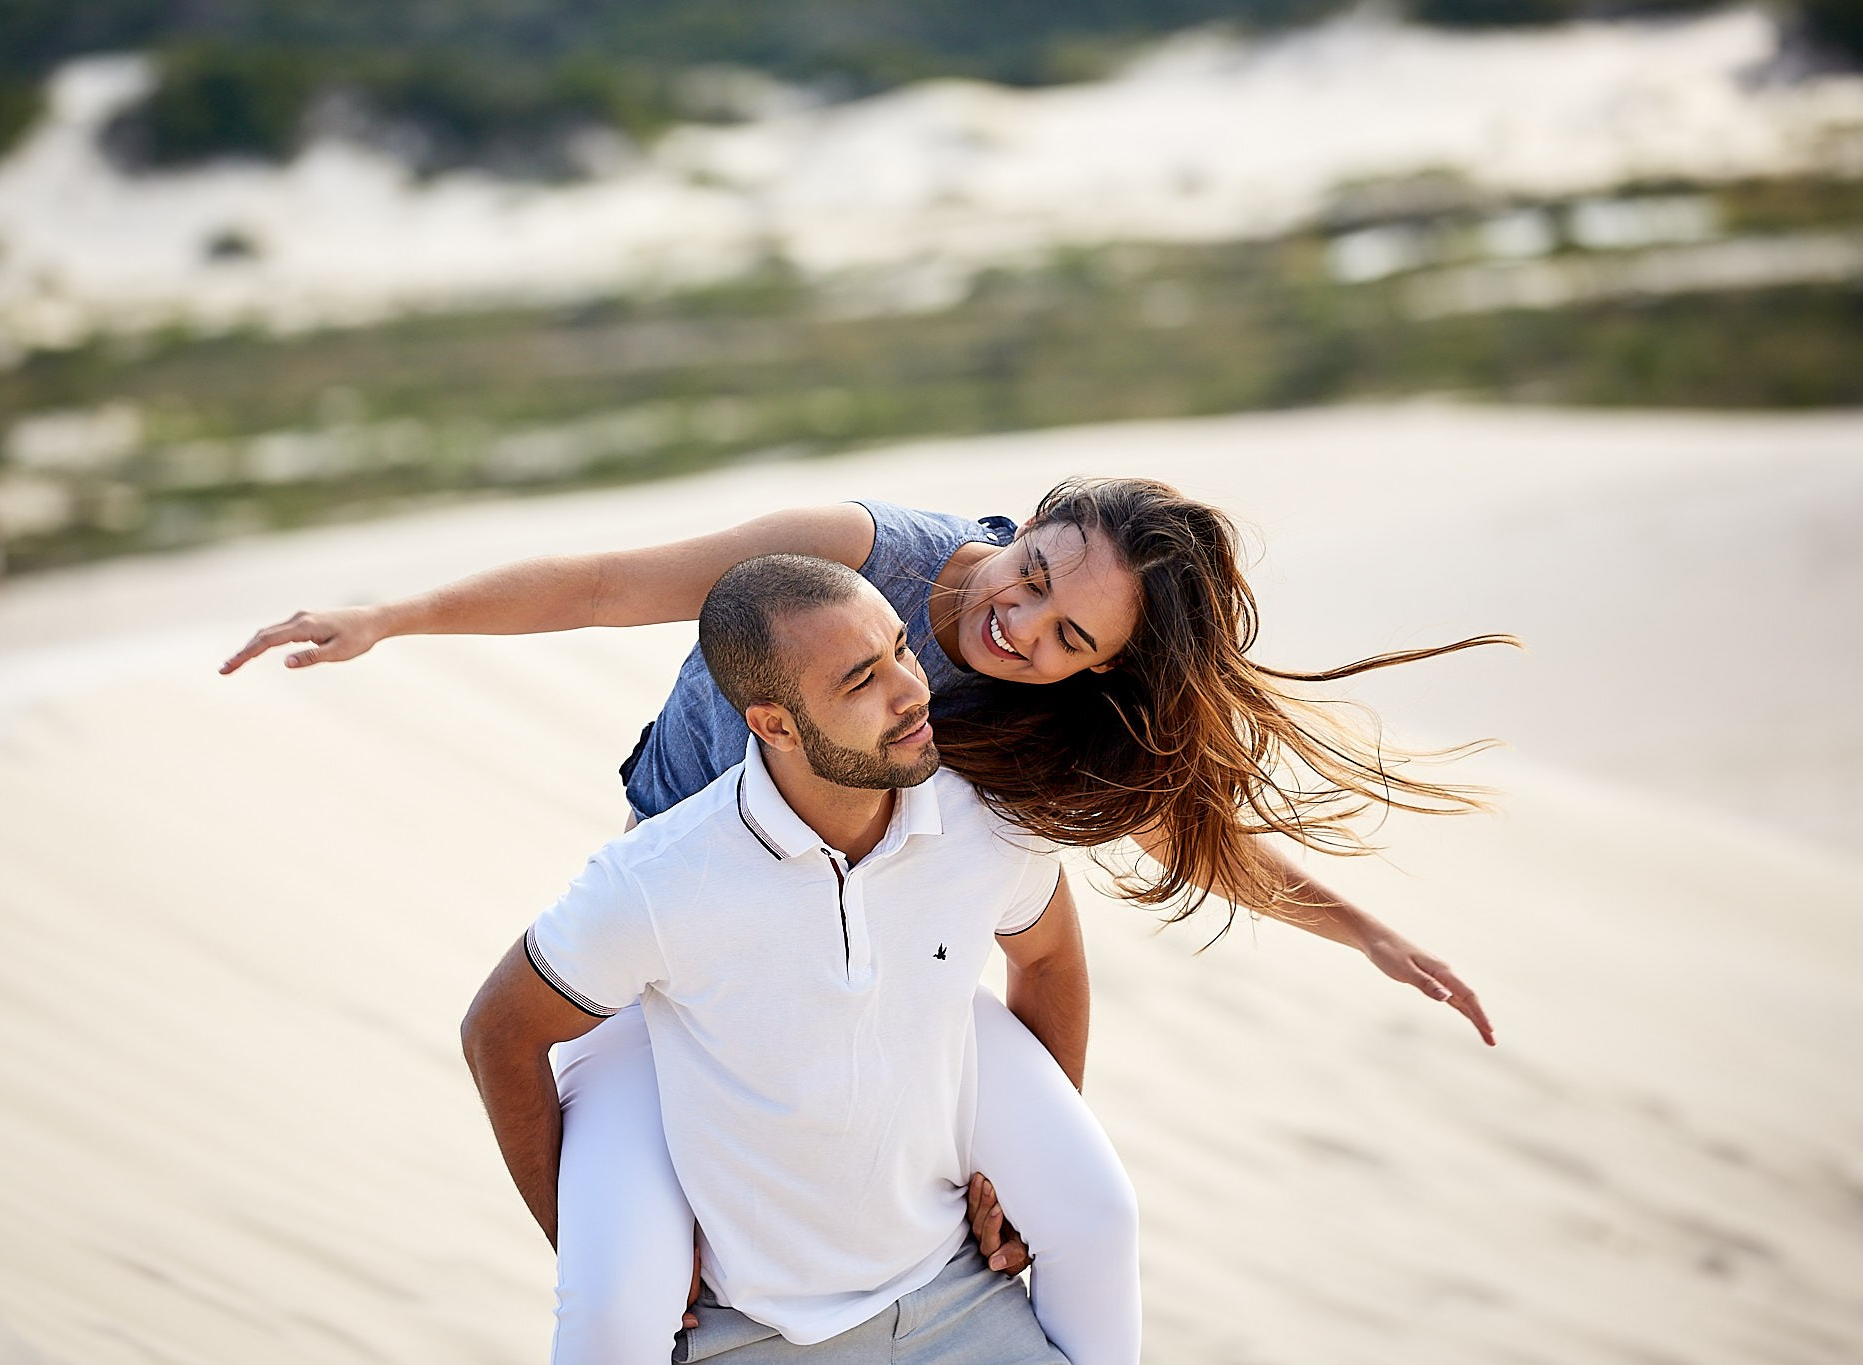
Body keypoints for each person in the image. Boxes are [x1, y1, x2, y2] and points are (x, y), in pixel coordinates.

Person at [223, 479, 1508, 1361]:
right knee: (612, 1304)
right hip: (691, 943)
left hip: (892, 941)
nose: (1017, 624)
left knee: (1094, 1213)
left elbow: (1171, 838)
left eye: (1066, 635)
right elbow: (614, 583)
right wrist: (393, 617)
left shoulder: (1039, 714)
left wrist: (1363, 934)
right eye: (1031, 574)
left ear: (1096, 666)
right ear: (1028, 521)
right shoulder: (850, 558)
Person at [465, 554, 1095, 1361]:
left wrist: (1021, 1174)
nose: (912, 690)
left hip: (963, 1297)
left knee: (1106, 1218)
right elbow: (498, 1030)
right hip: (742, 1332)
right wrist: (586, 1240)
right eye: (862, 679)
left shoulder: (983, 824)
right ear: (775, 725)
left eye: (902, 649)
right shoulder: (659, 879)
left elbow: (1048, 959)